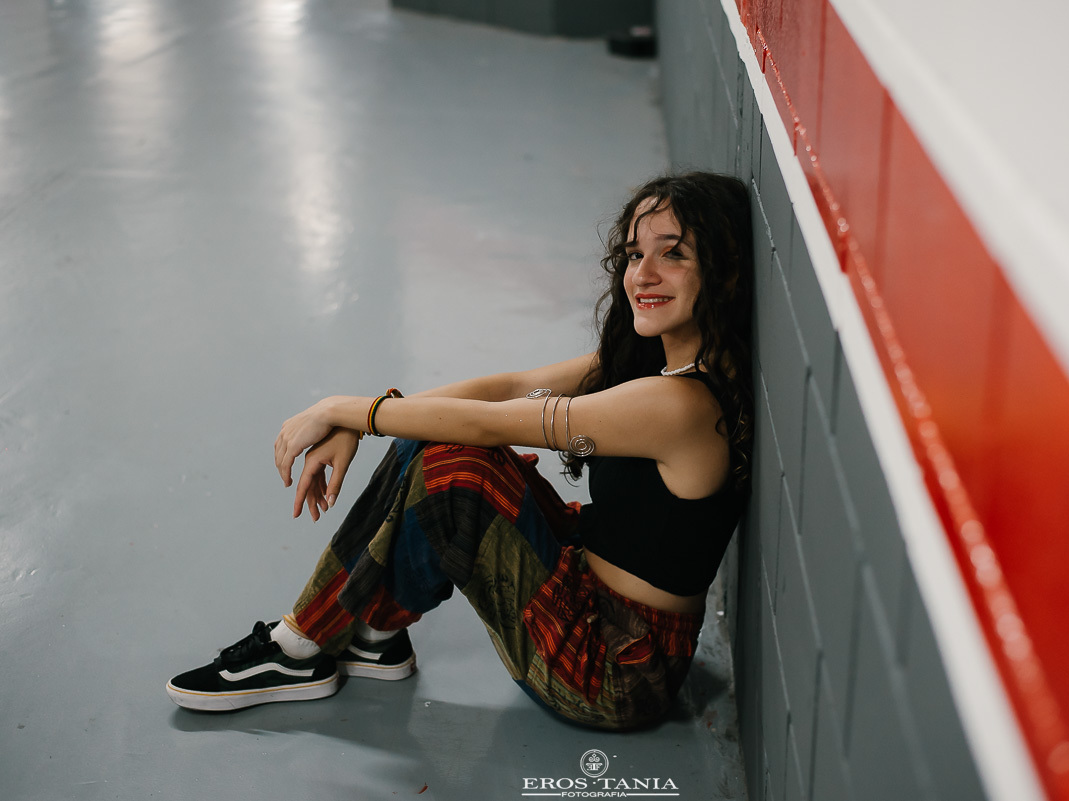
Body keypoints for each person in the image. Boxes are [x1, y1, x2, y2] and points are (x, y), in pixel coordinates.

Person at [166, 172, 754, 730]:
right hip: (591, 586)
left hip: (614, 670)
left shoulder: (679, 405)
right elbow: (512, 387)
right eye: (633, 254)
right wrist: (363, 420)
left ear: (722, 271)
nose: (643, 275)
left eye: (673, 254)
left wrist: (343, 410)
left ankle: (299, 647)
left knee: (459, 468)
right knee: (438, 439)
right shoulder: (657, 362)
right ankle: (370, 639)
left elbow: (488, 422)